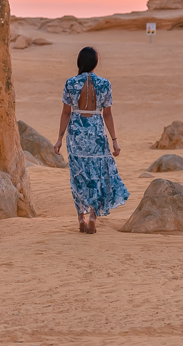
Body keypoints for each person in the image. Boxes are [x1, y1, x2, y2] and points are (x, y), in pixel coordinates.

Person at [54, 47, 129, 234]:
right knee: (98, 175)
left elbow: (65, 113)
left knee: (78, 175)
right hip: (96, 134)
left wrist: (59, 139)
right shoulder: (104, 84)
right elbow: (108, 114)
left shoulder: (71, 83)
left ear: (80, 62)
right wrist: (115, 140)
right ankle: (93, 216)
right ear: (95, 63)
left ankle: (81, 217)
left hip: (76, 134)